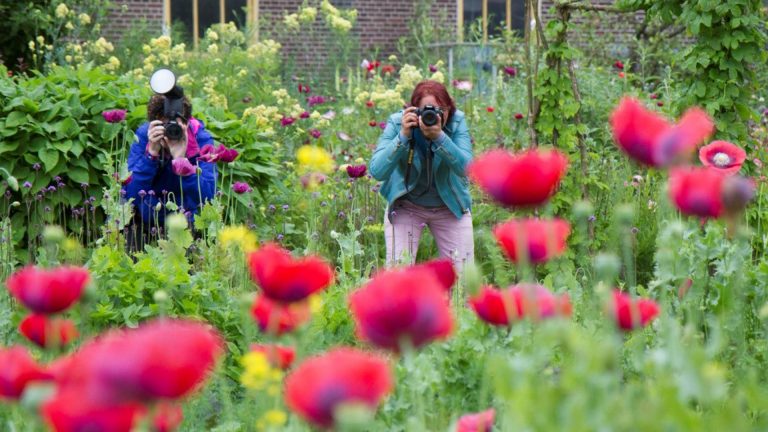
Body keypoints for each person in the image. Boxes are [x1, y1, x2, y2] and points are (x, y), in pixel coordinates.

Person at [369, 80, 474, 270]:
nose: (433, 115)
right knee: (398, 276)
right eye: (426, 110)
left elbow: (466, 168)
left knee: (464, 282)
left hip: (449, 206)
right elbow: (377, 170)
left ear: (449, 108)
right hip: (406, 206)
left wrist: (440, 137)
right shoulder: (398, 122)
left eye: (440, 109)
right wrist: (402, 137)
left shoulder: (457, 122)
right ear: (413, 110)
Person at [122, 94, 217, 251]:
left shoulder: (201, 139)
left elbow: (208, 196)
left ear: (187, 122)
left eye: (176, 124)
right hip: (146, 216)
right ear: (154, 124)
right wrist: (151, 154)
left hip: (186, 220)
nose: (171, 131)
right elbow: (130, 195)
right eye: (165, 125)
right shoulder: (146, 135)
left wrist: (181, 160)